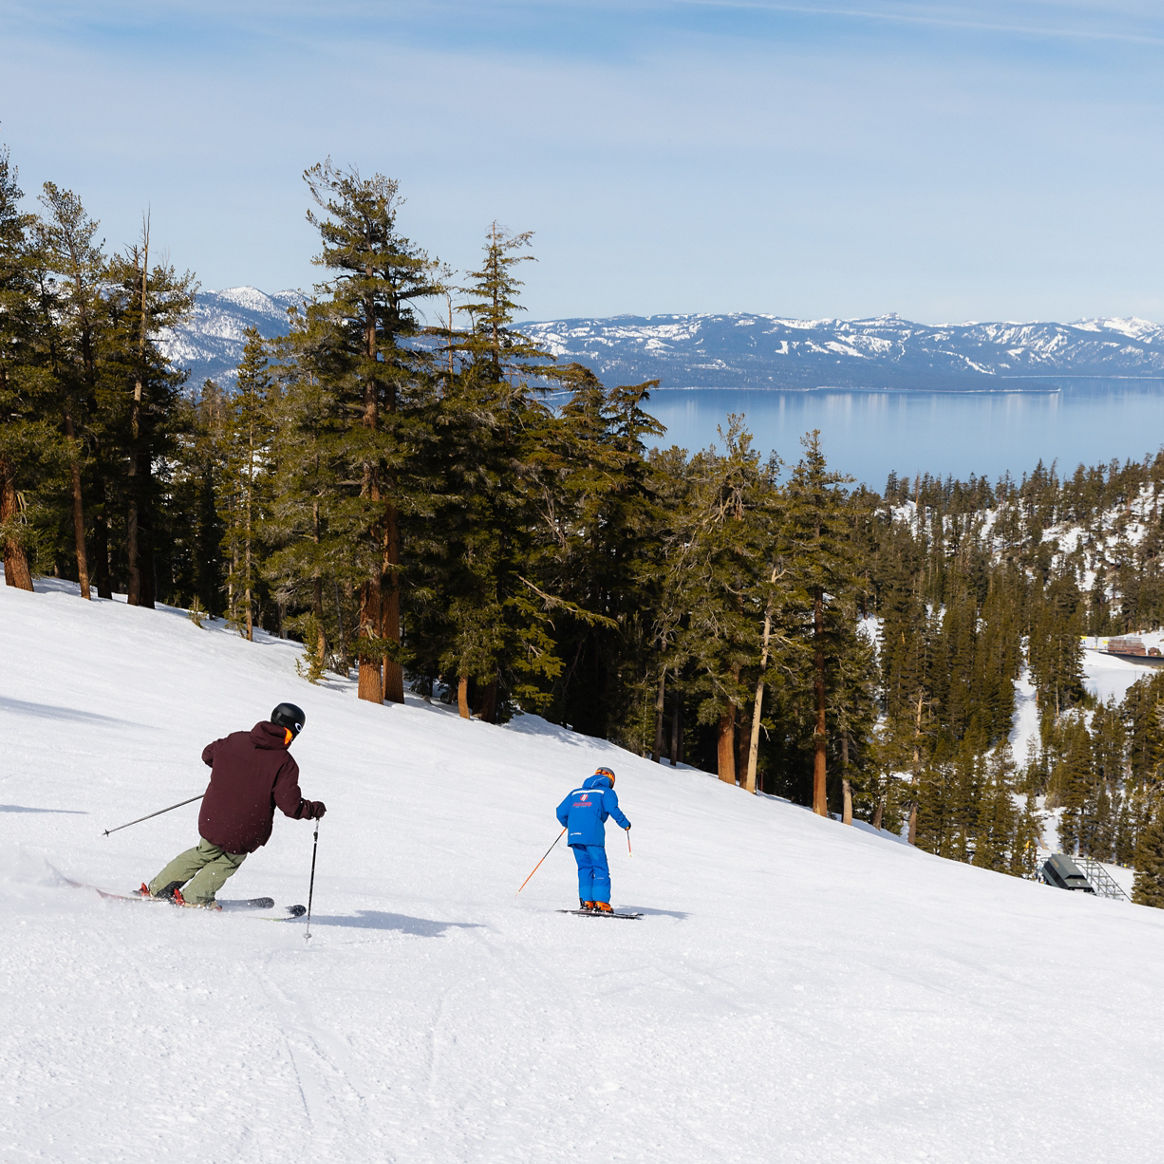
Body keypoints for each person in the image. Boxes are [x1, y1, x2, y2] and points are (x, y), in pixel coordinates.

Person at [140, 702, 325, 909]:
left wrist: (230, 771)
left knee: (204, 851)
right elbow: (290, 806)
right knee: (229, 859)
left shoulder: (237, 738)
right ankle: (194, 897)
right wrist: (313, 809)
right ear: (294, 730)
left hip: (214, 816)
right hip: (245, 827)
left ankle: (157, 888)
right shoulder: (284, 762)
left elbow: (208, 754)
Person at [555, 766, 631, 913]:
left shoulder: (575, 793)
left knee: (584, 868)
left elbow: (560, 812)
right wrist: (625, 824)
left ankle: (587, 902)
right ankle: (601, 903)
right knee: (600, 868)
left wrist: (570, 824)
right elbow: (613, 809)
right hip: (593, 836)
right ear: (611, 780)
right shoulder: (606, 792)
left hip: (575, 836)